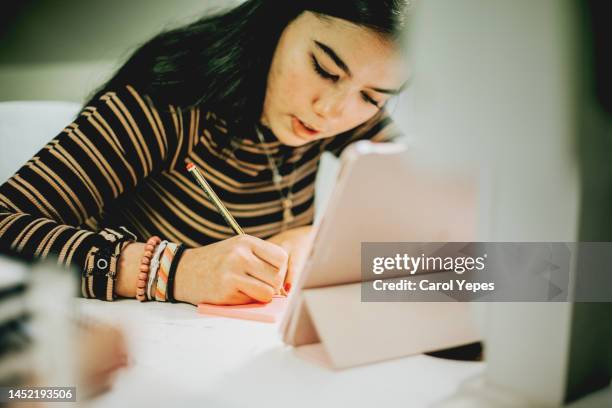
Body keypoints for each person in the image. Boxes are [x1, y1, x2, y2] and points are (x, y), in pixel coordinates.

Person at [0, 0, 408, 306]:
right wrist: (173, 270)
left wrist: (315, 237)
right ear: (279, 19)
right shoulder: (165, 107)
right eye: (324, 69)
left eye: (373, 96)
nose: (331, 110)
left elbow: (413, 188)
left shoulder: (350, 116)